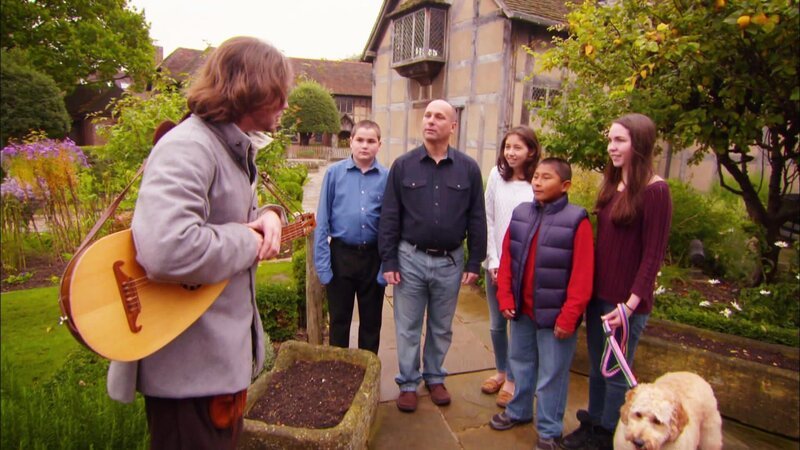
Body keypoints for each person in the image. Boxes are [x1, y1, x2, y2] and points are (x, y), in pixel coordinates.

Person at [105, 36, 292, 450]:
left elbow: (234, 214)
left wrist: (268, 216)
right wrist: (248, 238)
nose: (285, 102)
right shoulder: (189, 146)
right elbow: (167, 247)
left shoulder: (227, 147)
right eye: (279, 91)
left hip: (213, 368)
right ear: (251, 88)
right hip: (187, 375)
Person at [561, 113, 672, 450]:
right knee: (597, 367)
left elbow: (652, 256)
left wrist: (630, 306)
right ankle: (594, 424)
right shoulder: (612, 184)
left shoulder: (656, 191)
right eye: (610, 140)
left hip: (625, 304)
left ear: (639, 144)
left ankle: (610, 433)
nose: (611, 146)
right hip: (599, 297)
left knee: (615, 375)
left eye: (619, 140)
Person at [378, 99, 487, 413]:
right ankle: (408, 383)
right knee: (407, 325)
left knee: (441, 326)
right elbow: (390, 215)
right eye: (427, 115)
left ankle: (435, 376)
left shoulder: (468, 168)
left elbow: (476, 217)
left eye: (439, 116)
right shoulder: (403, 165)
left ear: (453, 126)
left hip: (450, 262)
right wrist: (389, 260)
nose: (430, 121)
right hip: (410, 258)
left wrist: (473, 260)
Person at [487, 158, 594, 450]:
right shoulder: (522, 213)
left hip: (556, 317)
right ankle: (519, 411)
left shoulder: (576, 220)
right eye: (536, 177)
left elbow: (583, 275)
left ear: (565, 185)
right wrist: (506, 297)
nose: (537, 182)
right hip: (523, 311)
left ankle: (549, 430)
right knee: (520, 364)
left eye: (546, 178)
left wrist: (569, 317)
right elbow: (508, 259)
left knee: (552, 374)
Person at [313, 120, 388, 354]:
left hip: (373, 258)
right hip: (341, 257)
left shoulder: (387, 177)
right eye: (360, 140)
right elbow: (322, 221)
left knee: (371, 323)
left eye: (371, 141)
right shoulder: (334, 174)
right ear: (351, 142)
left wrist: (386, 265)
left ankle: (367, 374)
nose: (365, 146)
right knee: (339, 321)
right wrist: (323, 267)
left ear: (379, 144)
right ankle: (338, 373)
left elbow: (391, 226)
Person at [481, 126, 540, 408]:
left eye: (518, 147)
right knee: (495, 324)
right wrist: (493, 260)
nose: (511, 152)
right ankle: (501, 370)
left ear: (531, 151)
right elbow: (489, 218)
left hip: (524, 269)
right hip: (496, 264)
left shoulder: (537, 182)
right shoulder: (496, 176)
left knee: (518, 325)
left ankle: (514, 380)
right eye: (507, 147)